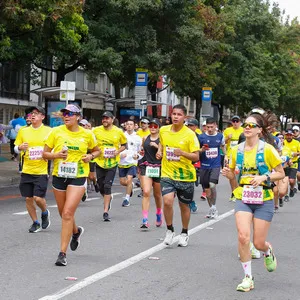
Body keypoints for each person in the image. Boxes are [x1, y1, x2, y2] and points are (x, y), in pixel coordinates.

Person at [222, 113, 284, 292]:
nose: (247, 128)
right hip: (244, 197)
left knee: (258, 242)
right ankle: (248, 277)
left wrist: (264, 177)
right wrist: (229, 175)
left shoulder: (267, 150)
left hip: (264, 198)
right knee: (243, 236)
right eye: (245, 125)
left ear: (259, 130)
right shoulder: (236, 150)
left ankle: (267, 250)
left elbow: (280, 172)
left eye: (251, 125)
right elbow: (233, 175)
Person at [43, 104, 100, 266]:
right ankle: (76, 232)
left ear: (78, 117)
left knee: (68, 213)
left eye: (70, 114)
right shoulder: (56, 132)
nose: (66, 116)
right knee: (63, 213)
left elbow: (97, 151)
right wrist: (56, 154)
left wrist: (90, 156)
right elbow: (44, 154)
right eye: (64, 114)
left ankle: (62, 253)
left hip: (78, 175)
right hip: (60, 175)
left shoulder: (87, 134)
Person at [156, 104, 200, 247]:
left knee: (184, 206)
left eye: (179, 114)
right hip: (167, 174)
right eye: (174, 114)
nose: (175, 116)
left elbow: (196, 157)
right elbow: (162, 144)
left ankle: (184, 233)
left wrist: (182, 153)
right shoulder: (163, 130)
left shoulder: (190, 134)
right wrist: (159, 151)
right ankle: (169, 230)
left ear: (185, 117)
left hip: (185, 176)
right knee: (168, 201)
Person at [14, 106, 52, 233]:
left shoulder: (49, 131)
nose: (33, 115)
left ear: (42, 116)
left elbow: (55, 147)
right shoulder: (23, 131)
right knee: (28, 198)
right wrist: (19, 147)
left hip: (41, 170)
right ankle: (35, 222)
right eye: (31, 113)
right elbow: (15, 147)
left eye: (36, 113)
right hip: (26, 170)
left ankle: (45, 212)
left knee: (38, 198)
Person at [92, 111, 127, 221]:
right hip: (99, 162)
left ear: (112, 119)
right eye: (103, 118)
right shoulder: (96, 130)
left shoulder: (118, 131)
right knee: (101, 186)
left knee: (107, 186)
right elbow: (91, 142)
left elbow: (124, 145)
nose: (105, 120)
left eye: (107, 118)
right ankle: (108, 197)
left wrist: (117, 151)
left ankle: (105, 211)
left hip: (112, 163)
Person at [198, 117, 225, 219]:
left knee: (212, 185)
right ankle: (212, 208)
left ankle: (213, 207)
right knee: (207, 189)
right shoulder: (201, 137)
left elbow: (222, 146)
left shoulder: (220, 136)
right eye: (207, 127)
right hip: (204, 165)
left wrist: (226, 157)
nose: (209, 129)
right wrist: (202, 150)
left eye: (211, 127)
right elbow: (197, 150)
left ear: (215, 126)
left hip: (215, 165)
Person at [140, 118, 163, 229]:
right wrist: (138, 154)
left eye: (155, 126)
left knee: (157, 195)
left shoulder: (162, 140)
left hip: (159, 167)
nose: (152, 128)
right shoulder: (145, 138)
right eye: (151, 126)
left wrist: (157, 147)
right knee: (146, 192)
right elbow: (142, 151)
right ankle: (145, 219)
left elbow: (166, 154)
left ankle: (159, 213)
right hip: (147, 166)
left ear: (159, 127)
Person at [118, 119, 142, 207]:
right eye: (127, 124)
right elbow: (117, 147)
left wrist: (138, 156)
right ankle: (130, 185)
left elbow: (141, 151)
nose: (129, 126)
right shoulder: (121, 135)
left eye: (131, 124)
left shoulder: (138, 138)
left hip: (132, 162)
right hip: (122, 162)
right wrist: (120, 154)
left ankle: (126, 199)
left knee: (129, 178)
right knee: (122, 182)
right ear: (125, 126)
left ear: (134, 126)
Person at [223, 115, 244, 201]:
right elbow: (222, 142)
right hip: (230, 155)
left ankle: (239, 191)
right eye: (233, 121)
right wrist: (228, 138)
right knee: (231, 175)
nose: (235, 123)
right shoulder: (228, 130)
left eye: (237, 121)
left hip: (240, 154)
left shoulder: (243, 130)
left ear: (240, 122)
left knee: (239, 175)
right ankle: (234, 192)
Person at [283, 130, 300, 198]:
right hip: (284, 164)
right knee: (286, 180)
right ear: (285, 135)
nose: (289, 136)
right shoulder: (283, 142)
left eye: (290, 135)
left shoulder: (297, 143)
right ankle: (286, 194)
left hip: (294, 163)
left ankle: (292, 189)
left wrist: (297, 153)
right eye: (287, 135)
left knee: (291, 181)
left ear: (292, 135)